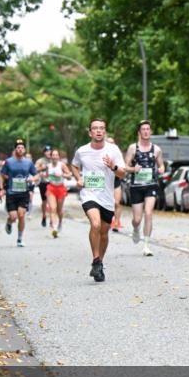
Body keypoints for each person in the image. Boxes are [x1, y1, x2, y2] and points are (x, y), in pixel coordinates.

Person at [70, 119, 126, 282]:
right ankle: (95, 260)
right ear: (90, 132)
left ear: (105, 131)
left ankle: (99, 263)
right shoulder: (82, 151)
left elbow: (122, 173)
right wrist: (79, 178)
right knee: (95, 224)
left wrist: (112, 167)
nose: (99, 131)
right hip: (89, 194)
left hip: (107, 197)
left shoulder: (113, 150)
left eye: (102, 128)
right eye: (95, 128)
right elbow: (74, 165)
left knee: (104, 232)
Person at [123, 120, 165, 256]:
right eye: (143, 129)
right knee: (137, 219)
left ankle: (146, 245)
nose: (146, 131)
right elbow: (124, 167)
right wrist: (133, 169)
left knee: (148, 213)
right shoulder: (132, 148)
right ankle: (136, 229)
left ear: (150, 132)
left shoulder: (157, 149)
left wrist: (161, 170)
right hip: (136, 186)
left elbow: (161, 165)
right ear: (139, 132)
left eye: (148, 129)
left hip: (151, 185)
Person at [0, 139, 38, 247]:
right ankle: (9, 222)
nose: (20, 149)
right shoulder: (9, 162)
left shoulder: (28, 162)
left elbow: (36, 175)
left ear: (24, 150)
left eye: (22, 147)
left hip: (23, 193)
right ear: (15, 149)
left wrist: (32, 179)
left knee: (21, 215)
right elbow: (1, 175)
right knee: (13, 217)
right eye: (18, 147)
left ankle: (20, 239)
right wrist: (1, 189)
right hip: (11, 193)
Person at [41, 148, 72, 237]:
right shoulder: (48, 166)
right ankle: (54, 228)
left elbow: (69, 176)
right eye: (53, 155)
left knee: (59, 211)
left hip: (61, 189)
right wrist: (43, 175)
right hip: (51, 188)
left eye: (56, 155)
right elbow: (46, 175)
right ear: (51, 157)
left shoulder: (62, 165)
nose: (54, 157)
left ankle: (60, 222)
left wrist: (62, 174)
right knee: (52, 208)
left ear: (58, 157)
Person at [107, 134, 124, 231]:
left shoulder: (117, 155)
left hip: (115, 181)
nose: (110, 144)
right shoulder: (101, 154)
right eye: (108, 143)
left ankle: (116, 222)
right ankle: (107, 220)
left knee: (117, 203)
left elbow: (122, 170)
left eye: (112, 143)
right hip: (104, 183)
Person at [35, 146, 52, 228]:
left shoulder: (54, 159)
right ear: (44, 152)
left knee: (51, 201)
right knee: (45, 202)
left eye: (49, 151)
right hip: (43, 183)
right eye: (47, 151)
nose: (48, 152)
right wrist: (42, 168)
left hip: (52, 183)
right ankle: (44, 216)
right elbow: (34, 169)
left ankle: (52, 219)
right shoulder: (40, 161)